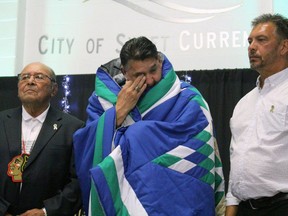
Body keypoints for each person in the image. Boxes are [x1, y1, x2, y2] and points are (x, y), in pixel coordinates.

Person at [73, 36, 225, 216]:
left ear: (159, 61)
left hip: (179, 198)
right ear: (124, 71)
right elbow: (87, 146)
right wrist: (119, 111)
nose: (150, 80)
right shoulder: (102, 101)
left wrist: (138, 135)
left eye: (153, 69)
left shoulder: (187, 98)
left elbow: (199, 143)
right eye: (139, 75)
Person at [0, 62, 84, 216]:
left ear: (54, 89)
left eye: (39, 77)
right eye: (24, 77)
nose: (30, 81)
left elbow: (78, 180)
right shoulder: (1, 121)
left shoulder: (73, 128)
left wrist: (46, 212)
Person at [225, 13, 288, 216]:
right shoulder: (243, 103)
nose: (251, 46)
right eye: (250, 41)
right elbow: (237, 162)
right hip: (244, 209)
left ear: (284, 47)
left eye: (261, 40)